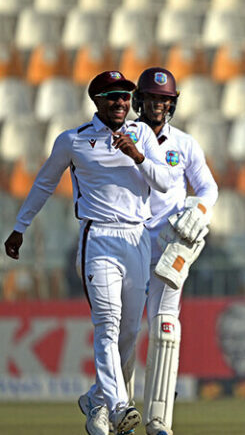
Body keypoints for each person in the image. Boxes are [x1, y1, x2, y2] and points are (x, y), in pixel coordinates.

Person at [3, 70, 180, 435]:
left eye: (125, 97)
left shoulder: (143, 133)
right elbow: (44, 182)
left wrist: (138, 157)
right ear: (97, 101)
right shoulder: (74, 140)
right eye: (113, 96)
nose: (121, 103)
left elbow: (166, 181)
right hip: (98, 238)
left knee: (130, 332)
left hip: (136, 237)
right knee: (108, 323)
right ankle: (118, 406)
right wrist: (20, 227)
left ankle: (95, 399)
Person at [133, 67, 218, 435]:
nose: (158, 106)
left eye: (165, 101)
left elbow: (209, 190)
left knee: (165, 325)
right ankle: (115, 408)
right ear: (140, 100)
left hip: (170, 243)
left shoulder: (184, 144)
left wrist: (196, 213)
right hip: (127, 240)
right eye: (152, 99)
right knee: (120, 329)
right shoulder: (121, 137)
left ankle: (158, 420)